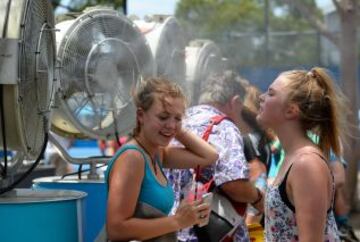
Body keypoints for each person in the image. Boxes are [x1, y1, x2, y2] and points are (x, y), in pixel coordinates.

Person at [105, 77, 218, 241]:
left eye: (178, 118)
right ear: (141, 116)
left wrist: (175, 128)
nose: (171, 124)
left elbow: (209, 156)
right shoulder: (132, 158)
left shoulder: (157, 153)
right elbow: (116, 229)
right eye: (163, 117)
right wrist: (178, 221)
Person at [167, 70, 265, 242]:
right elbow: (233, 184)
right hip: (203, 234)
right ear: (235, 102)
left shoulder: (178, 121)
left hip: (169, 230)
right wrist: (258, 197)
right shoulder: (223, 126)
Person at [257, 67, 347, 241]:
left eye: (271, 93)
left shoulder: (307, 164)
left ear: (291, 110)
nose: (261, 97)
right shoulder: (293, 157)